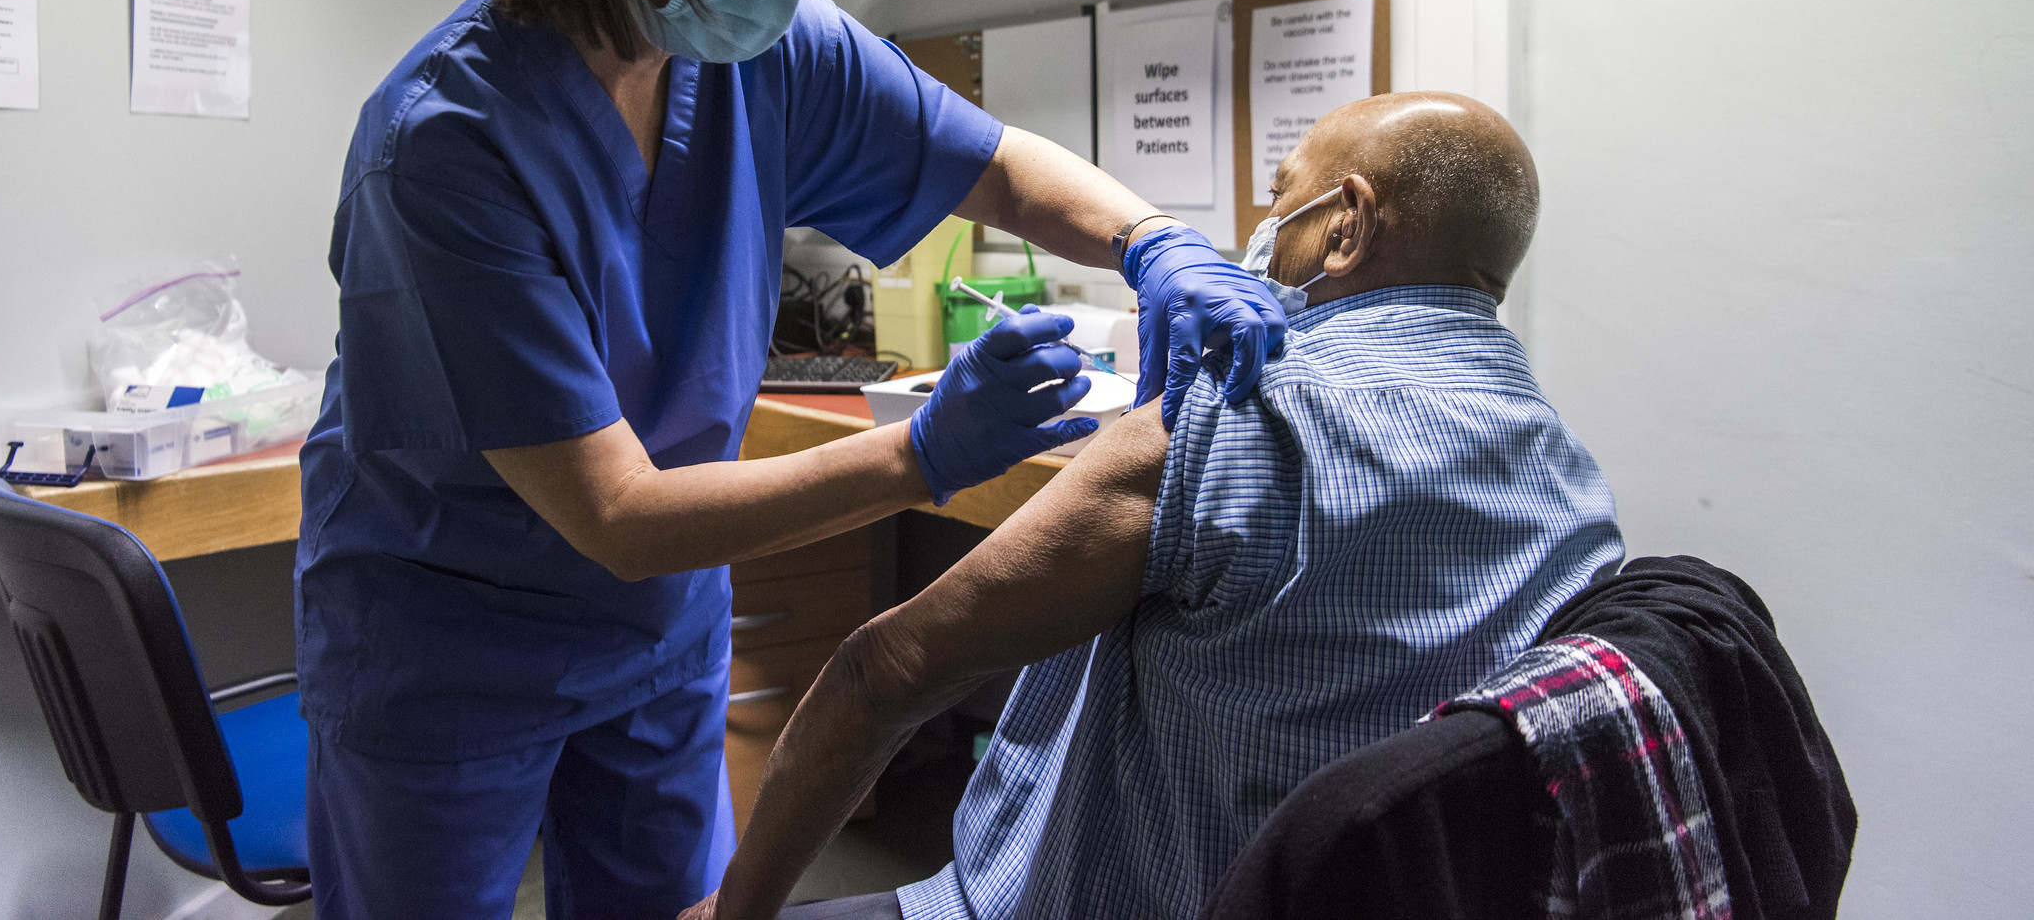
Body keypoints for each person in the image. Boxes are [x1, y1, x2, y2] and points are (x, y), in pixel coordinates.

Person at [294, 0, 1285, 920]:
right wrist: (921, 454)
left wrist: (1152, 240)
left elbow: (993, 165)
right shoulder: (445, 142)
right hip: (444, 644)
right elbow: (617, 510)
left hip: (657, 631)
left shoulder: (768, 51)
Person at [682, 91, 1627, 920]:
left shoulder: (1230, 416)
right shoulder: (1576, 482)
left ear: (1346, 225)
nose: (1264, 225)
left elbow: (883, 670)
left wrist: (734, 909)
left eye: (1282, 194)